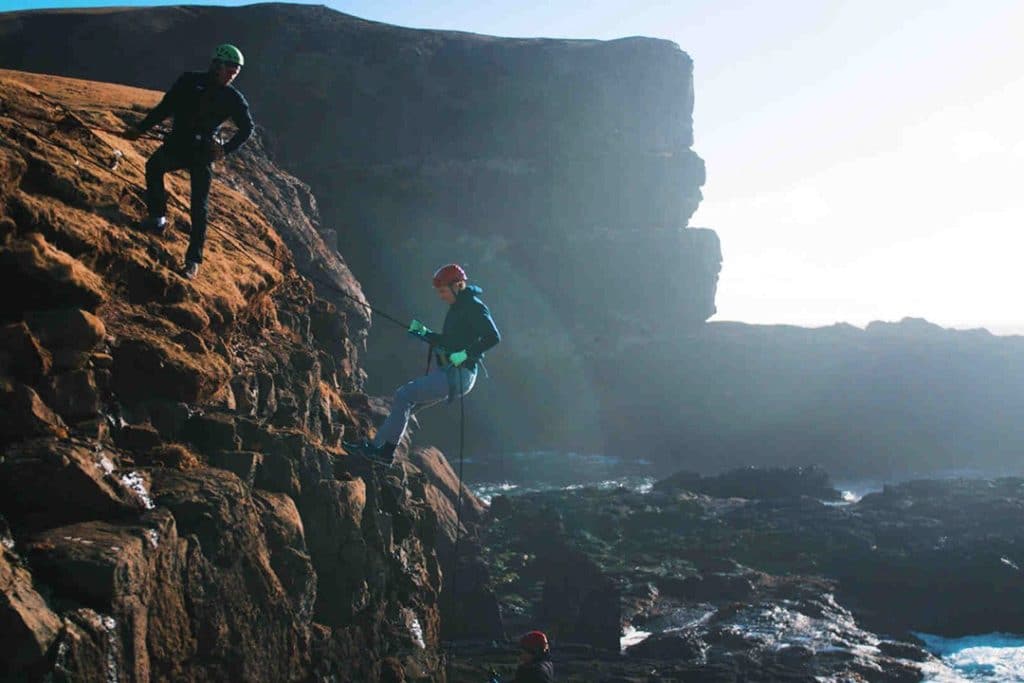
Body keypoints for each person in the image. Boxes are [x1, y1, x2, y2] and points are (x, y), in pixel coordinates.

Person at [347, 264, 500, 464]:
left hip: (460, 375)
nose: (441, 296)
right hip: (449, 371)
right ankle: (377, 449)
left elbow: (493, 337)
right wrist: (423, 333)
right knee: (407, 403)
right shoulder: (457, 308)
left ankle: (384, 453)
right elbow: (449, 341)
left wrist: (464, 354)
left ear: (458, 286)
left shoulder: (474, 307)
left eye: (443, 291)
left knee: (404, 395)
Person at [125, 43, 254, 280]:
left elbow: (247, 128)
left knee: (199, 206)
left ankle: (193, 260)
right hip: (178, 144)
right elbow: (165, 108)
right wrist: (140, 129)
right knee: (153, 166)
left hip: (202, 153)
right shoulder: (189, 81)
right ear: (216, 65)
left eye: (236, 72)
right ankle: (157, 219)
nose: (232, 75)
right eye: (229, 69)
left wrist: (224, 150)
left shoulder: (233, 98)